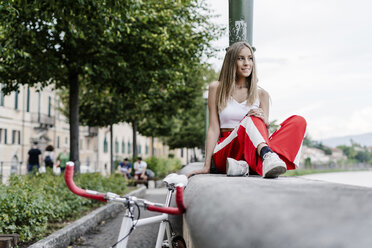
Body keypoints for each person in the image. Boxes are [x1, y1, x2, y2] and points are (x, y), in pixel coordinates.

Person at [188, 42, 307, 178]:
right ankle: (265, 157)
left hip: (252, 149)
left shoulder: (262, 94)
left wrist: (265, 121)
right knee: (251, 117)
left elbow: (263, 132)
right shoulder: (217, 88)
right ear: (231, 62)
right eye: (241, 58)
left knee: (298, 122)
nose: (246, 63)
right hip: (226, 150)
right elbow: (213, 129)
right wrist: (206, 166)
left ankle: (246, 165)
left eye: (250, 58)